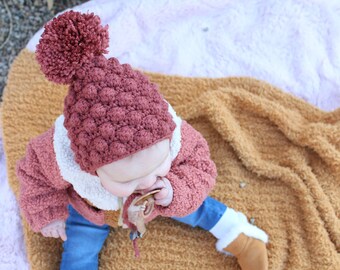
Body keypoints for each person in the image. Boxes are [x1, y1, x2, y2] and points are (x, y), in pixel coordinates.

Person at [16, 11, 268, 270]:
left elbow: (199, 166)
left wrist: (173, 191)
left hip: (159, 202)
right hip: (92, 211)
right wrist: (48, 214)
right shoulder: (59, 156)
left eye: (158, 164)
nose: (147, 182)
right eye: (127, 180)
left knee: (193, 205)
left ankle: (239, 234)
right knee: (78, 252)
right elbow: (34, 175)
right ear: (88, 166)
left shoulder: (171, 136)